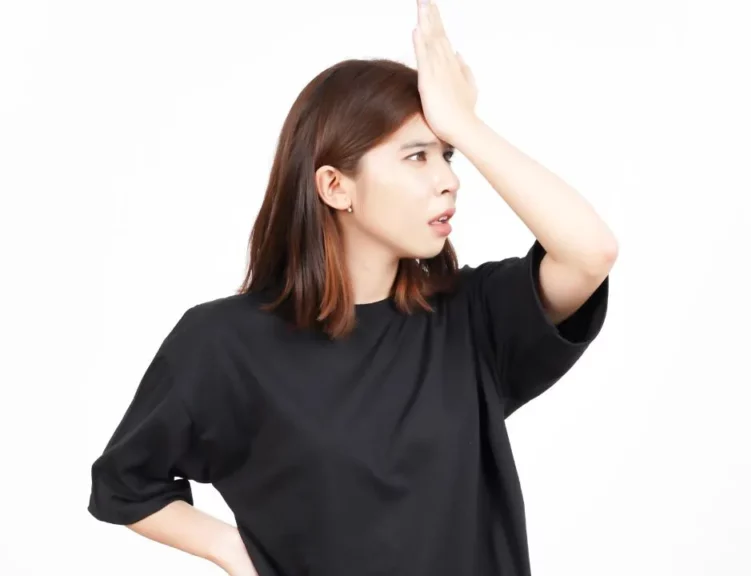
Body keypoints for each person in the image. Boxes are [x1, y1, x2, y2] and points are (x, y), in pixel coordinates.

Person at [86, 1, 617, 575]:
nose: (449, 180)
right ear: (336, 187)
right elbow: (124, 484)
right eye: (417, 157)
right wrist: (234, 552)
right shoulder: (224, 344)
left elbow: (591, 252)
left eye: (447, 156)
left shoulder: (471, 320)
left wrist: (466, 124)